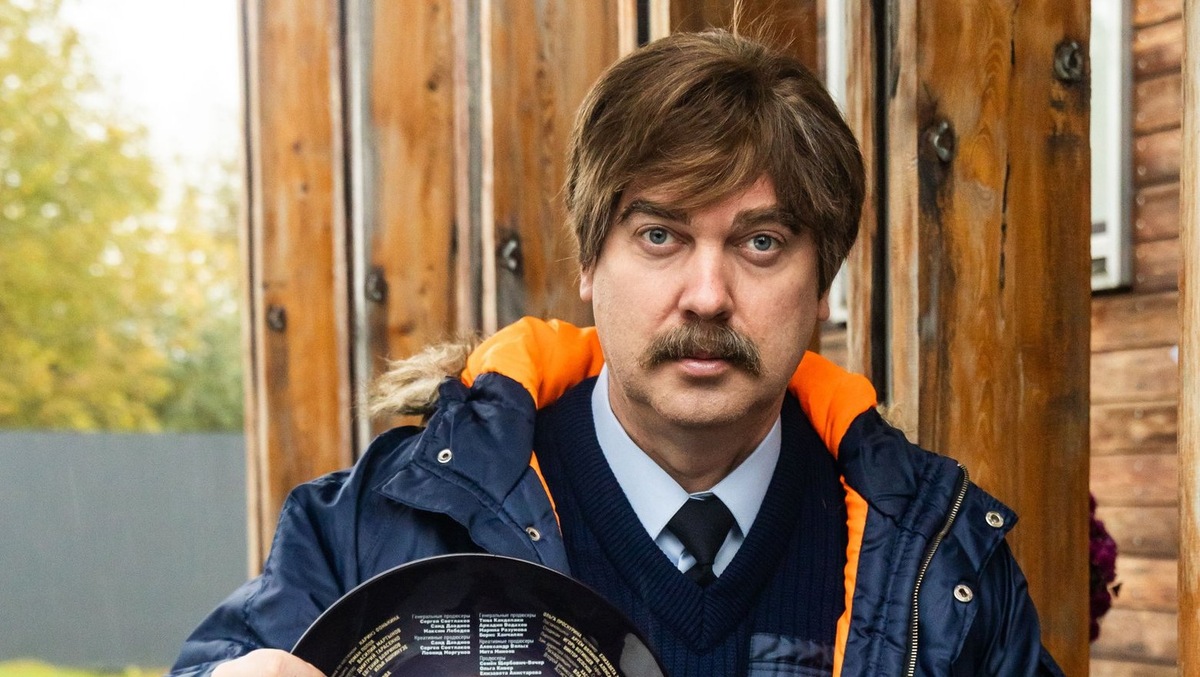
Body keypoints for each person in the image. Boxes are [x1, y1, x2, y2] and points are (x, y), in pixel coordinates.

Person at [169, 29, 1064, 677]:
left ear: (822, 280)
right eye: (660, 235)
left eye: (760, 242)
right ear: (590, 261)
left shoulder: (944, 560)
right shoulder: (384, 527)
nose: (707, 295)